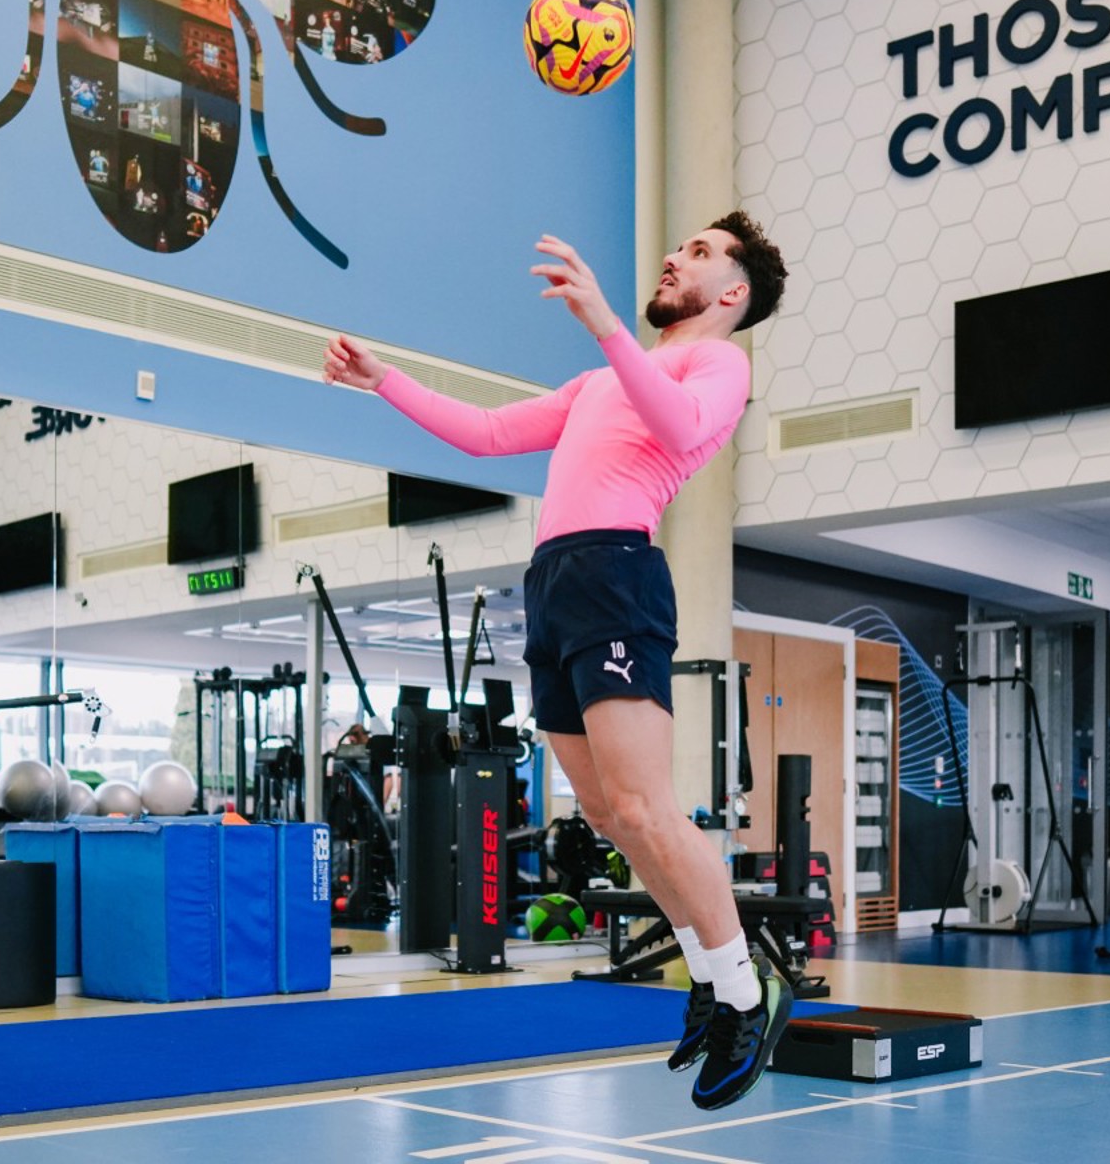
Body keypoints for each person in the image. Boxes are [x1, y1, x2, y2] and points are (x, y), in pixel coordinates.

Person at [325, 214, 790, 1110]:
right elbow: (486, 433)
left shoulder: (716, 363)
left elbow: (681, 425)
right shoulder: (600, 380)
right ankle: (706, 972)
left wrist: (606, 323)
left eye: (698, 253)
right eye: (680, 245)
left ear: (732, 293)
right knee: (611, 816)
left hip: (617, 572)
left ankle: (747, 991)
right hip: (554, 581)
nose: (674, 256)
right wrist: (385, 381)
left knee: (647, 807)